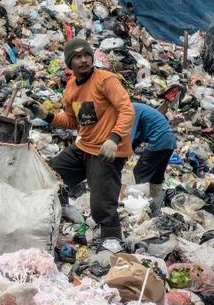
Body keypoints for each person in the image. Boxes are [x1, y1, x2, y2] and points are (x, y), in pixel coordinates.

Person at [31, 38, 134, 246]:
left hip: (107, 151)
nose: (84, 60)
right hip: (84, 146)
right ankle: (61, 212)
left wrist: (114, 138)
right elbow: (72, 120)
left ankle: (112, 243)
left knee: (101, 206)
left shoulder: (106, 80)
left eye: (87, 55)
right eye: (78, 57)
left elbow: (127, 109)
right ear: (70, 62)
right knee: (51, 174)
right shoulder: (70, 88)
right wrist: (47, 115)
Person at [131, 102, 177, 200]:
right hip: (169, 142)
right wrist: (132, 148)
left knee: (139, 173)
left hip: (159, 141)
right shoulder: (141, 109)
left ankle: (137, 202)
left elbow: (130, 134)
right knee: (156, 176)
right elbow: (138, 136)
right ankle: (156, 200)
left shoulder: (132, 109)